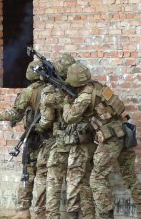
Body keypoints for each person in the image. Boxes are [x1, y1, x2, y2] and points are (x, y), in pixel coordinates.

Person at [62, 62, 141, 219]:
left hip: (111, 140)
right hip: (124, 133)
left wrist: (67, 103)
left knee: (97, 179)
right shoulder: (99, 87)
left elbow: (69, 117)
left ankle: (105, 216)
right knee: (129, 175)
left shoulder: (85, 97)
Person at [0, 61, 48, 219]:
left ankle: (23, 211)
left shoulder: (30, 92)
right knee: (44, 177)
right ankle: (41, 213)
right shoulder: (53, 91)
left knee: (27, 174)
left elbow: (14, 113)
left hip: (34, 139)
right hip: (50, 141)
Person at [37, 54, 95, 219]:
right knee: (82, 183)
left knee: (54, 182)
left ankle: (52, 216)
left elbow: (46, 121)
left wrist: (39, 126)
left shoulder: (50, 91)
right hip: (82, 142)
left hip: (62, 141)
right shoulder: (85, 89)